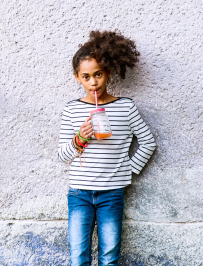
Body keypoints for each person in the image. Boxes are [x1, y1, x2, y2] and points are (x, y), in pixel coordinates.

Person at [58, 30, 157, 266]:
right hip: (79, 194)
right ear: (77, 78)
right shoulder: (72, 110)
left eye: (98, 74)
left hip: (112, 194)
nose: (93, 82)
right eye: (86, 77)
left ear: (108, 73)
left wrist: (128, 169)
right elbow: (62, 155)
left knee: (110, 257)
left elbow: (148, 142)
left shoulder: (125, 107)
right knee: (78, 257)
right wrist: (79, 138)